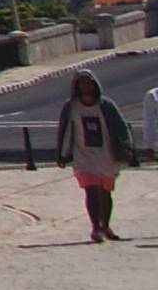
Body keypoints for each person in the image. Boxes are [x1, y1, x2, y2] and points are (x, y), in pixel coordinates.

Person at [55, 70, 134, 243]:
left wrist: (127, 148)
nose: (85, 86)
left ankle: (105, 225)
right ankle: (95, 228)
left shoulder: (106, 106)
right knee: (90, 190)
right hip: (83, 156)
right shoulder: (71, 107)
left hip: (107, 155)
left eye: (88, 82)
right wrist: (62, 154)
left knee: (105, 192)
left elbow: (121, 127)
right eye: (81, 83)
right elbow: (65, 131)